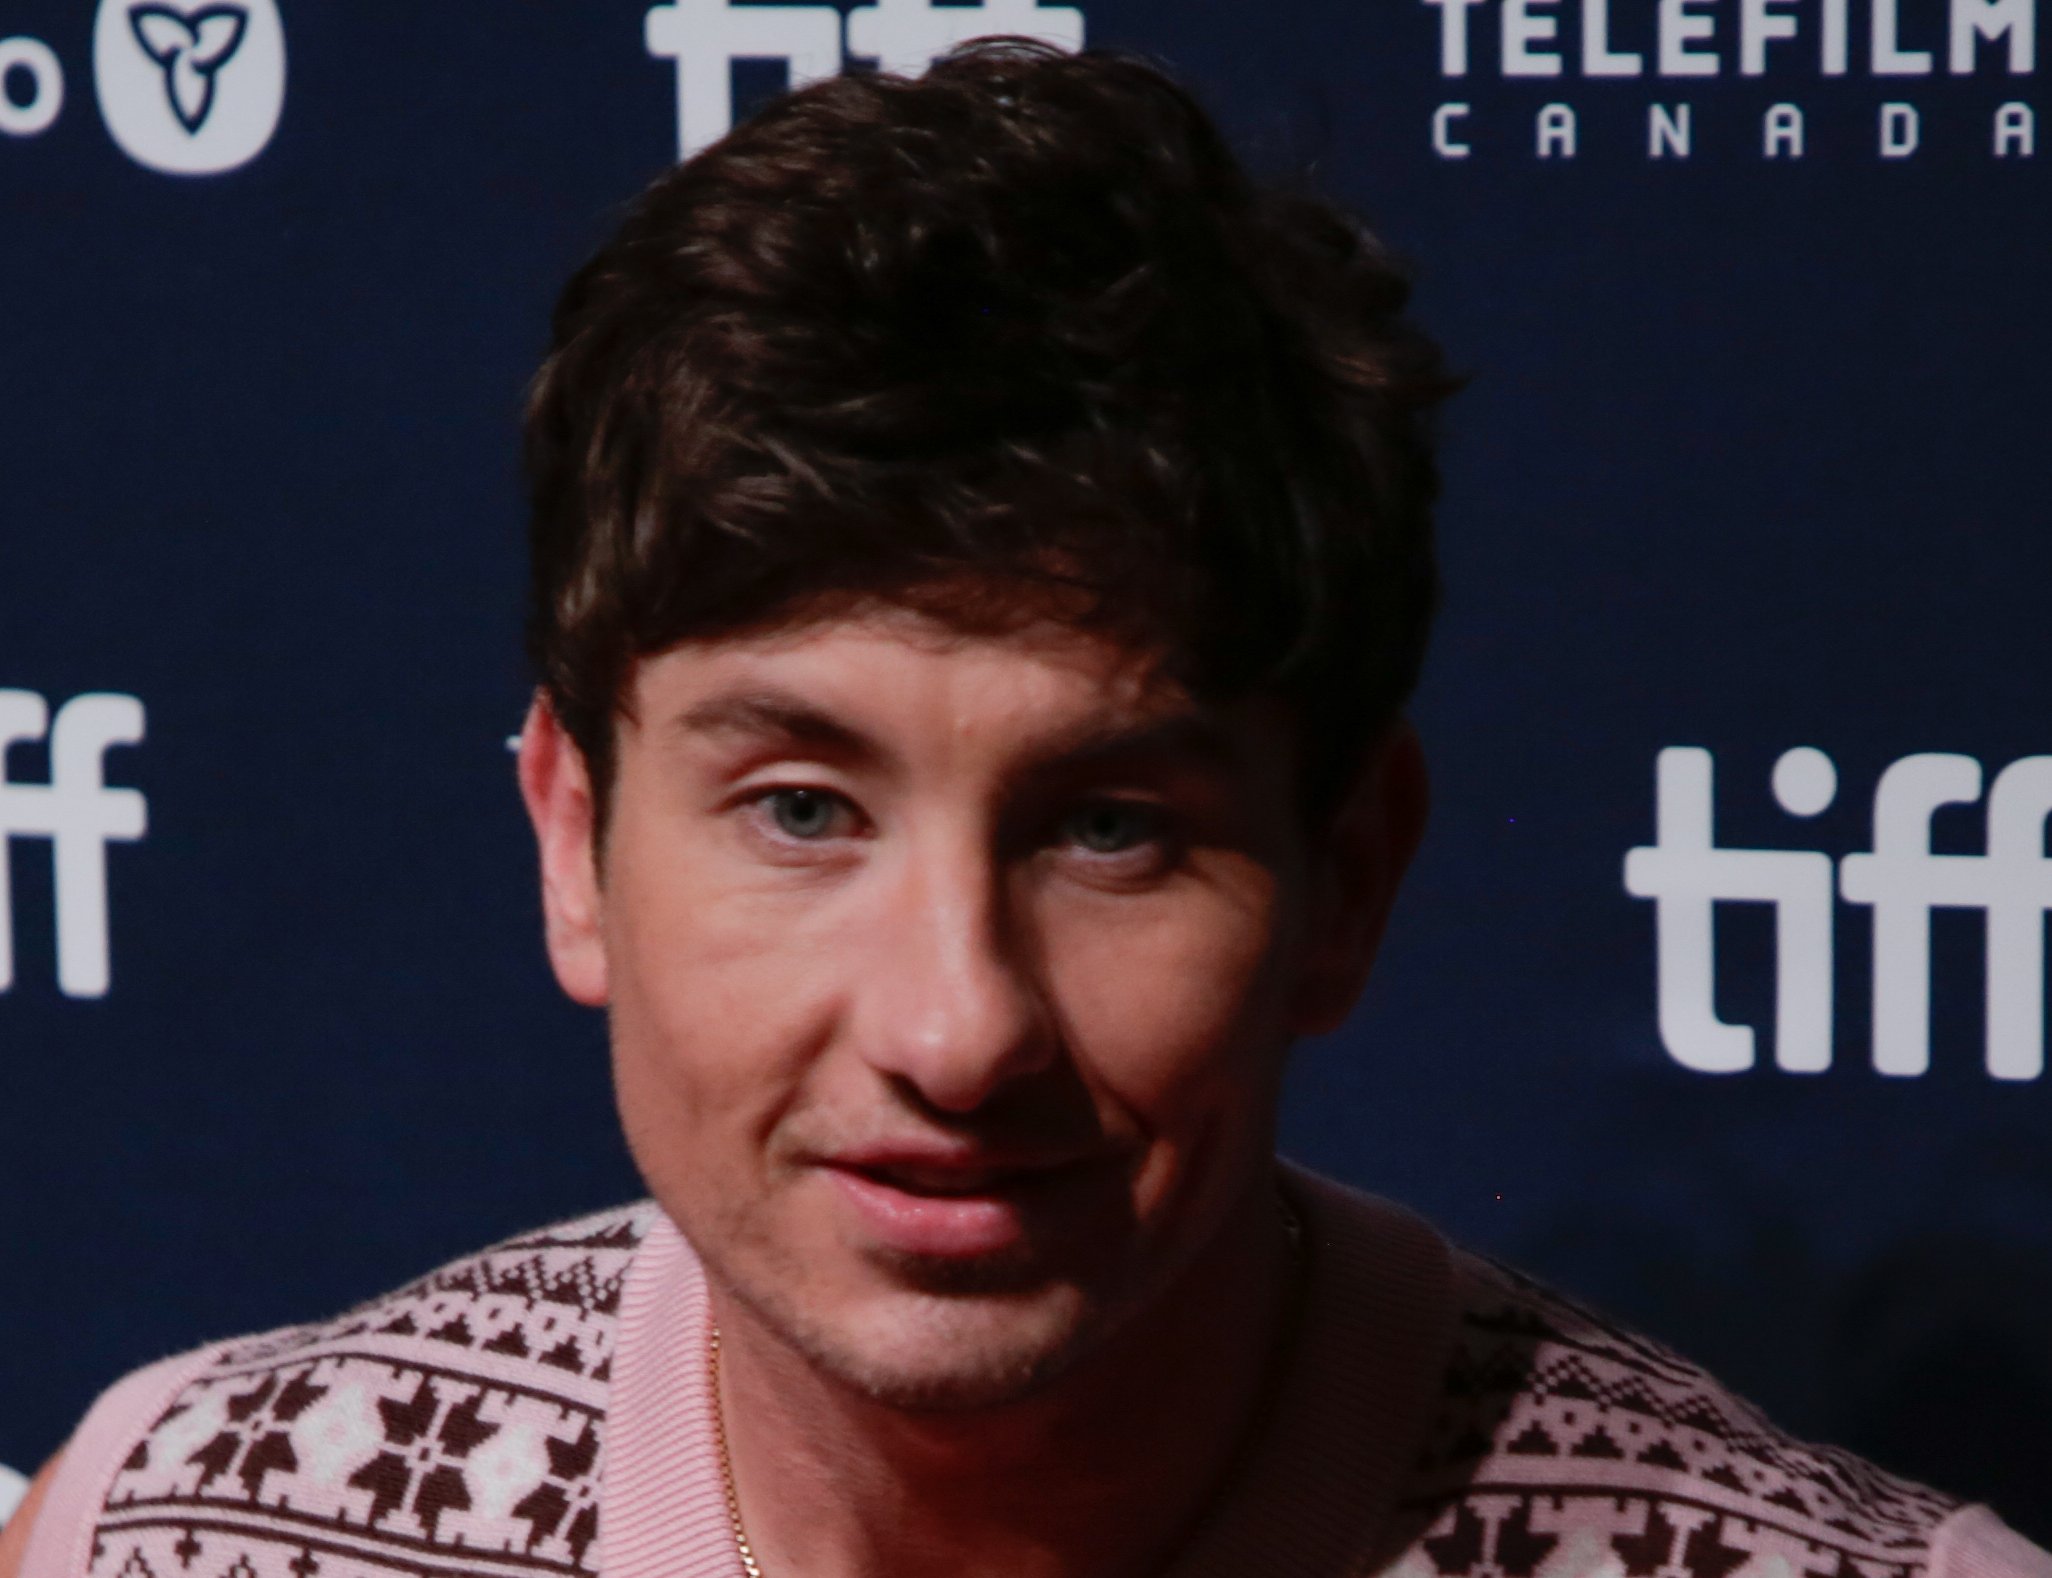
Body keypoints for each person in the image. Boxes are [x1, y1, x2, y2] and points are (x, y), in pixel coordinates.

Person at [3, 39, 2047, 1578]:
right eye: (802, 810)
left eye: (1108, 830)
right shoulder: (193, 1532)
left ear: (1347, 874)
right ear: (573, 841)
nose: (957, 1027)